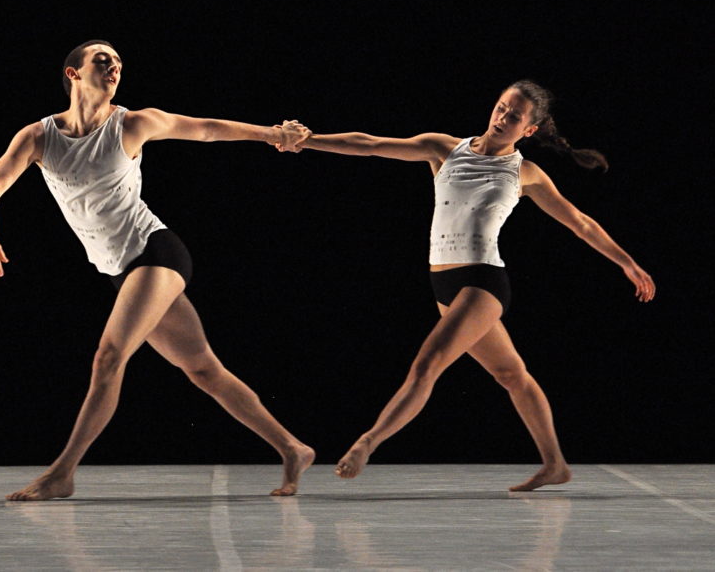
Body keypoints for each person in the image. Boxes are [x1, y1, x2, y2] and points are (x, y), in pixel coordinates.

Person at [0, 40, 316, 500]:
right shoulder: (39, 137)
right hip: (120, 268)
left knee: (109, 357)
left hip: (156, 252)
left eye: (117, 62)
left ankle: (61, 473)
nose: (113, 67)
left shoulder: (132, 123)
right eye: (102, 60)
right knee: (203, 369)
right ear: (73, 74)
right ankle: (292, 447)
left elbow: (207, 130)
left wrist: (273, 133)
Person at [276, 80, 655, 491]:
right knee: (511, 374)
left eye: (514, 116)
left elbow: (580, 223)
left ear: (529, 129)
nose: (502, 118)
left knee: (427, 365)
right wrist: (308, 140)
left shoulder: (525, 173)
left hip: (482, 282)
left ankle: (368, 442)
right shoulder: (443, 148)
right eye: (501, 107)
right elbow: (369, 145)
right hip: (443, 281)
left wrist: (627, 262)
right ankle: (555, 465)